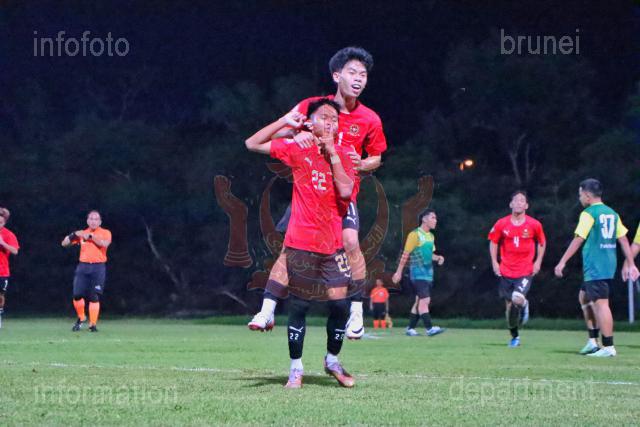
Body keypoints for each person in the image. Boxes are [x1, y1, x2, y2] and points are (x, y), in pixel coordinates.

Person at [249, 46, 387, 339]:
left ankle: (356, 313)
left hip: (340, 198)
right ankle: (266, 310)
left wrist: (361, 164)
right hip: (309, 195)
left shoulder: (370, 119)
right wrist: (296, 133)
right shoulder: (311, 106)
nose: (358, 79)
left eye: (363, 75)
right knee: (289, 251)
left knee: (351, 241)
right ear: (336, 75)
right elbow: (274, 136)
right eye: (352, 72)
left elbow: (376, 157)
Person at [245, 98, 357, 388]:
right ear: (311, 123)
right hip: (302, 241)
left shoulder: (346, 154)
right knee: (299, 305)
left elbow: (346, 191)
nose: (330, 123)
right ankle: (296, 368)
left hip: (332, 245)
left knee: (340, 305)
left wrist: (333, 153)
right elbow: (252, 144)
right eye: (323, 118)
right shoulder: (299, 147)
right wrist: (285, 122)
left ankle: (332, 360)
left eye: (334, 119)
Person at [554, 179, 639, 357]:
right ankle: (593, 341)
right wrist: (631, 263)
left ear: (587, 195)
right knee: (584, 296)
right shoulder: (612, 213)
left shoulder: (589, 213)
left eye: (580, 195)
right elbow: (623, 239)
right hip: (607, 264)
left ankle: (608, 346)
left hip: (595, 265)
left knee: (601, 304)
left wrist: (562, 261)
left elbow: (578, 238)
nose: (579, 198)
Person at [488, 190, 546, 348]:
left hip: (525, 270)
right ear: (510, 204)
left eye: (522, 200)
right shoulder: (501, 223)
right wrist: (494, 262)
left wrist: (538, 261)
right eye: (516, 200)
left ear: (526, 205)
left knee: (517, 297)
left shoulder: (534, 224)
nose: (519, 203)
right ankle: (515, 337)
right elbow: (493, 242)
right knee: (509, 308)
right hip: (506, 270)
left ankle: (524, 303)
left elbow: (542, 242)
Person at [391, 209, 445, 337]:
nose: (435, 220)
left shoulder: (431, 236)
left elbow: (429, 254)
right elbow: (406, 254)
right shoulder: (415, 235)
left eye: (436, 218)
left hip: (428, 274)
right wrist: (398, 272)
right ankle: (429, 328)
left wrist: (438, 257)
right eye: (433, 217)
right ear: (424, 219)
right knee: (425, 300)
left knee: (419, 301)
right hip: (417, 273)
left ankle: (410, 328)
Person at [61, 210, 112, 332]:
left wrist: (91, 236)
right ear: (87, 221)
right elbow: (64, 243)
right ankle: (82, 317)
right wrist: (73, 234)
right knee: (77, 294)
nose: (93, 221)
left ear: (100, 222)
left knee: (94, 296)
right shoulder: (82, 233)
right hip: (83, 266)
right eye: (91, 219)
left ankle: (92, 324)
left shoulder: (105, 233)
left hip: (98, 267)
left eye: (96, 219)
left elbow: (104, 244)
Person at [0, 207, 20, 329]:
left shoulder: (8, 234)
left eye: (1, 222)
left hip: (2, 271)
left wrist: (2, 243)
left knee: (0, 295)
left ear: (5, 222)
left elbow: (15, 251)